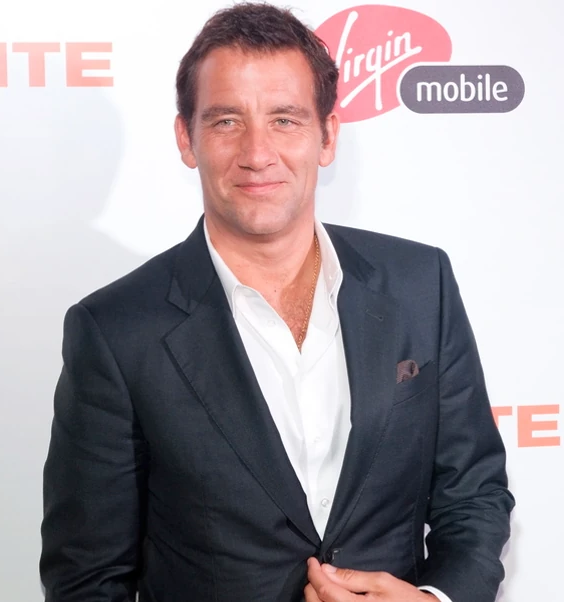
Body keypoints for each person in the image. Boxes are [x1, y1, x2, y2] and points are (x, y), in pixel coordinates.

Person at [39, 3, 514, 602]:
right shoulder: (115, 330)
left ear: (328, 136)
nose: (257, 153)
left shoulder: (422, 284)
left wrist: (432, 600)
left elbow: (474, 496)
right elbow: (87, 580)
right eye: (226, 121)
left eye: (285, 119)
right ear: (187, 138)